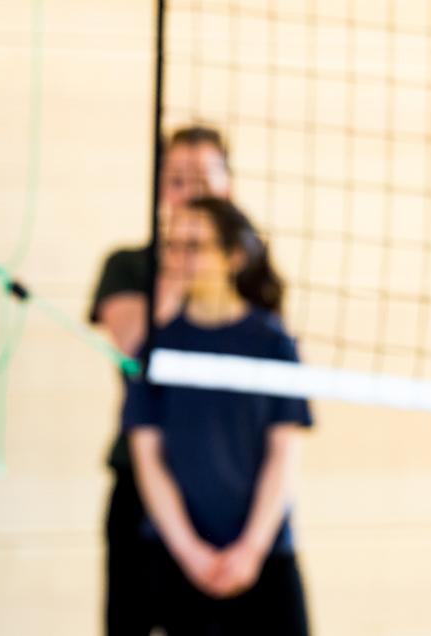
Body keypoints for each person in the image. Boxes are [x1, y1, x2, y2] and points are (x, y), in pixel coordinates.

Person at [125, 197, 312, 634]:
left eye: (195, 246)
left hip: (266, 555)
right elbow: (147, 459)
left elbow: (284, 455)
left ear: (234, 256)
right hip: (178, 558)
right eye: (173, 246)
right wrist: (191, 553)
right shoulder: (155, 345)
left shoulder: (273, 343)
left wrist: (250, 550)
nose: (179, 258)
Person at [89, 126, 232, 634]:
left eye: (202, 179)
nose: (190, 192)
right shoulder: (128, 266)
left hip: (229, 488)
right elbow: (133, 342)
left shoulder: (247, 273)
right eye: (176, 180)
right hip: (141, 489)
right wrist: (183, 254)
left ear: (228, 189)